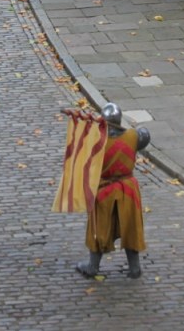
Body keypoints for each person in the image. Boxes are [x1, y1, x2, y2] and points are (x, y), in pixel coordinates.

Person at [76, 103, 150, 279]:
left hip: (104, 190)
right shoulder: (133, 136)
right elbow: (144, 135)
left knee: (98, 228)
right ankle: (134, 268)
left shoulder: (96, 141)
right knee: (130, 227)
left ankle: (93, 266)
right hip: (128, 190)